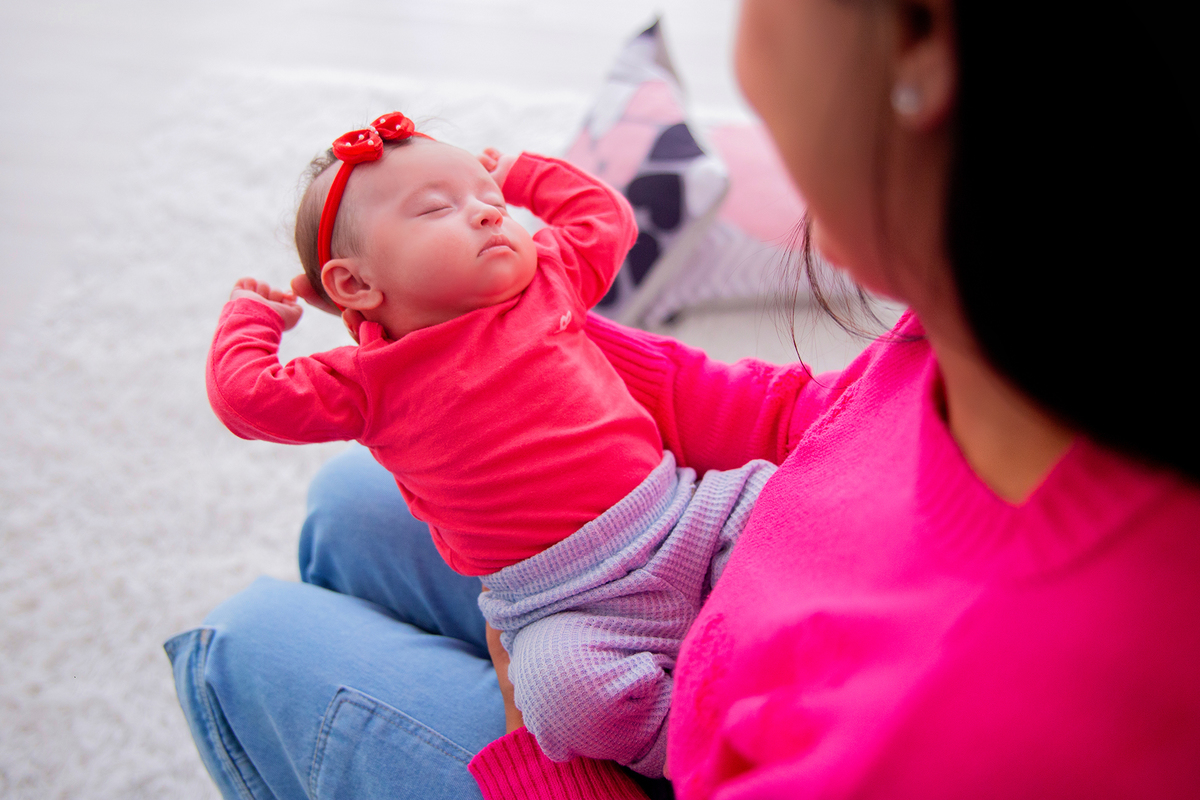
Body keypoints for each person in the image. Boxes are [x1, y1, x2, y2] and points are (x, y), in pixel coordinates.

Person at [167, 0, 1200, 798]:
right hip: (598, 586)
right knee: (350, 499)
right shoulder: (997, 320)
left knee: (243, 641)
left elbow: (596, 222)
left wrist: (552, 756)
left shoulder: (962, 721)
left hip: (667, 654)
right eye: (444, 210)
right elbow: (827, 417)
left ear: (920, 39)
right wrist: (587, 368)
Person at [204, 112, 774, 778]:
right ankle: (707, 746)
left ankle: (809, 656)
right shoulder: (367, 382)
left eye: (492, 200)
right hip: (567, 605)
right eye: (438, 208)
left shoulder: (546, 283)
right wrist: (254, 317)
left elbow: (606, 219)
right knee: (563, 702)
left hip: (685, 517)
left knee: (785, 504)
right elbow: (247, 398)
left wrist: (522, 173)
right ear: (354, 285)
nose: (487, 214)